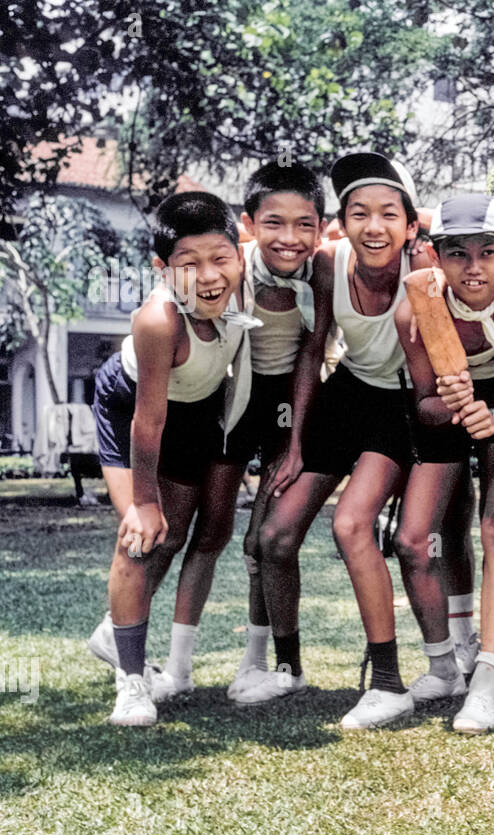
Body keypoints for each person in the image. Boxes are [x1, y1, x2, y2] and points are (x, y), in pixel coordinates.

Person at [241, 153, 425, 724]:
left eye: (388, 214)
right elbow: (313, 348)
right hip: (345, 395)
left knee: (352, 525)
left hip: (402, 403)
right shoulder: (327, 265)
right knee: (273, 534)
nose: (374, 227)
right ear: (340, 223)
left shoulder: (427, 266)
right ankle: (289, 668)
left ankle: (390, 682)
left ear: (411, 223)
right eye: (358, 213)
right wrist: (294, 443)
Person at [142, 162, 329, 703]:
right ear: (249, 225)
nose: (288, 239)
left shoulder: (319, 271)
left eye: (304, 224)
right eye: (274, 223)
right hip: (231, 403)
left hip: (286, 407)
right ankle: (170, 664)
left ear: (319, 226)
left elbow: (311, 355)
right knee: (206, 532)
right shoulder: (227, 263)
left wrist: (294, 443)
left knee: (262, 542)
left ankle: (259, 663)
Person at [394, 193, 494, 734]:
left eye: (487, 252)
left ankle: (488, 674)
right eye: (457, 254)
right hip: (448, 410)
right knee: (413, 540)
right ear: (437, 257)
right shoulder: (415, 311)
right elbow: (423, 406)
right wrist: (452, 401)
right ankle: (444, 666)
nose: (473, 266)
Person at [88, 191, 245, 725]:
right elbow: (146, 421)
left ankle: (113, 630)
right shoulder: (159, 320)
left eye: (220, 259)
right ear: (161, 268)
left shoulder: (242, 286)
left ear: (239, 252)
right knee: (141, 536)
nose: (208, 276)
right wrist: (145, 501)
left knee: (175, 536)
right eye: (188, 264)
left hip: (192, 409)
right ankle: (132, 683)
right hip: (134, 408)